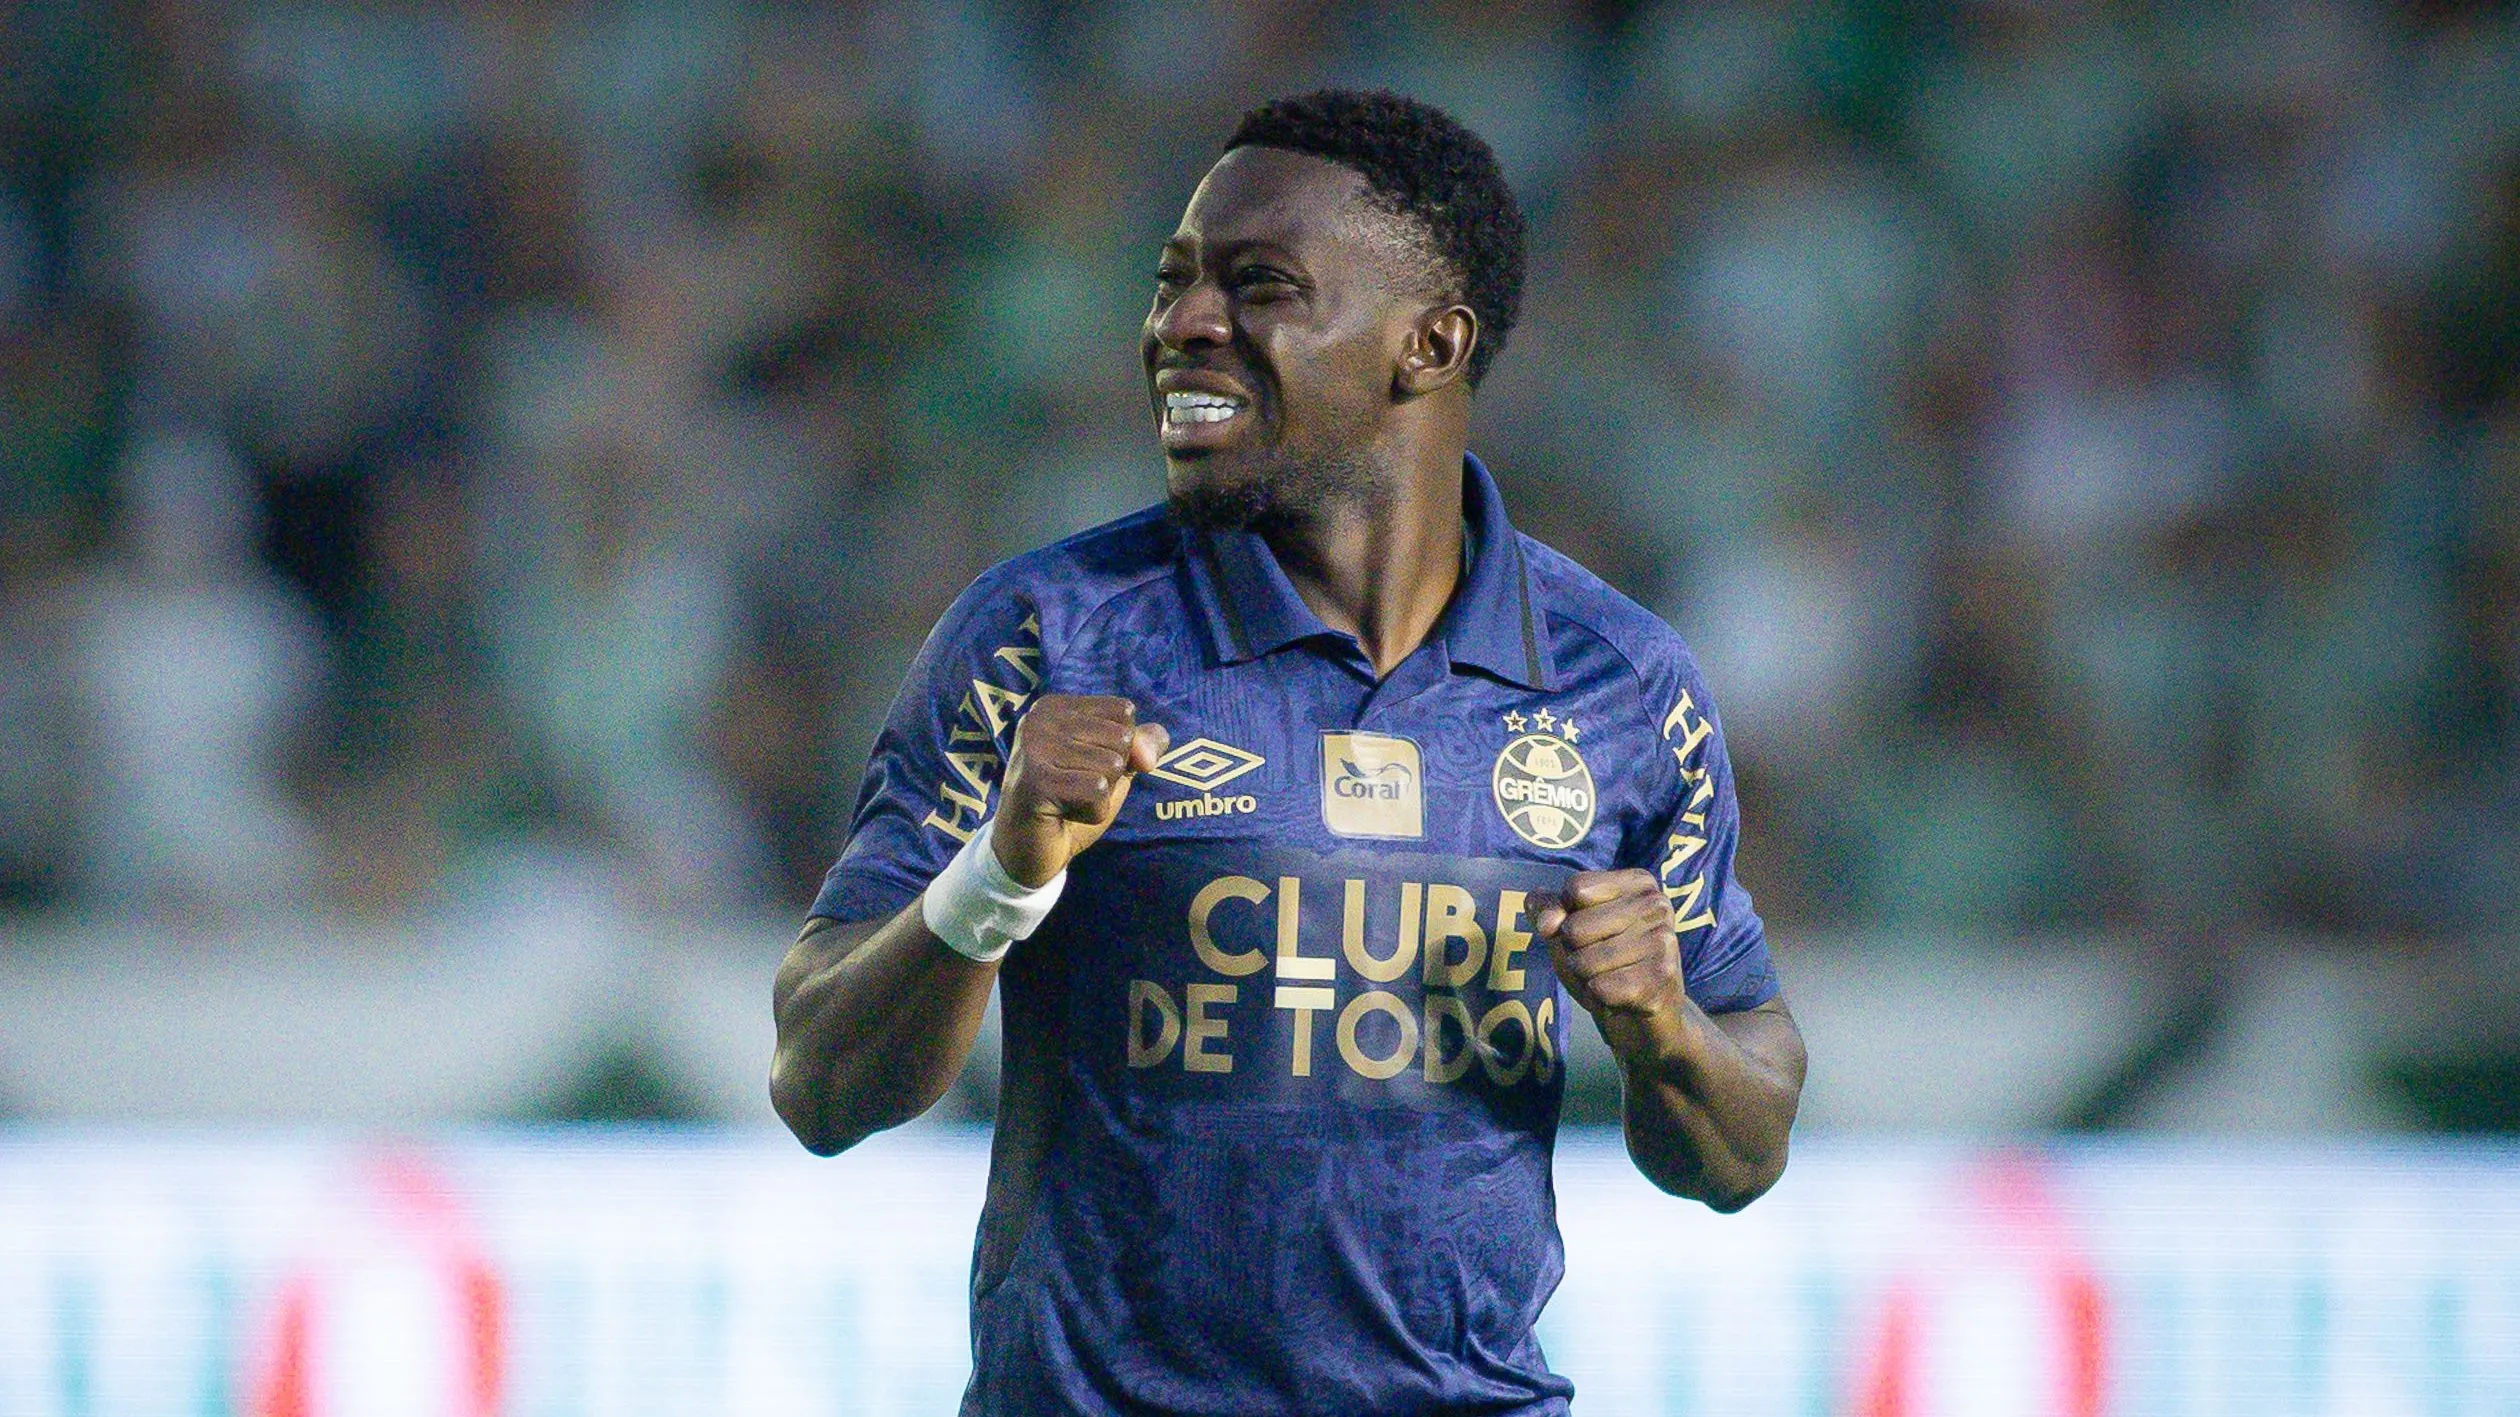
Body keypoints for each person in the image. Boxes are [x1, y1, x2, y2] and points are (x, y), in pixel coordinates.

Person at [771, 89, 1806, 1415]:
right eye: (1175, 283)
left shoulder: (1623, 683)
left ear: (1428, 344)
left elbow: (1745, 1141)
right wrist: (998, 879)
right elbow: (820, 1084)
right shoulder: (1046, 639)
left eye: (1260, 288)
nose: (1183, 325)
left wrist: (1662, 1029)